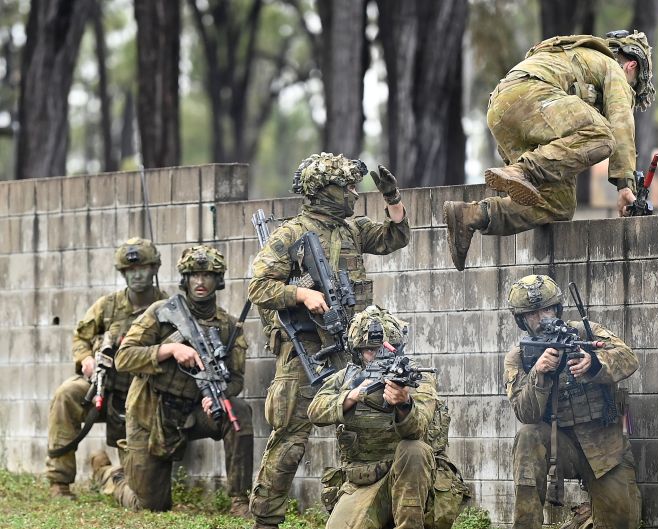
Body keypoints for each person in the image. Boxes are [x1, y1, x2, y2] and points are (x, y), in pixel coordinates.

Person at [248, 152, 410, 529]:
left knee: (367, 429)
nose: (354, 193)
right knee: (290, 439)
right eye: (347, 187)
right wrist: (302, 295)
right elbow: (259, 285)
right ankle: (265, 520)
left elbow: (395, 237)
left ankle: (359, 512)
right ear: (324, 191)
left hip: (353, 349)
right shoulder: (291, 234)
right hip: (306, 350)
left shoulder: (351, 229)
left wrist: (392, 199)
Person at [444, 30, 655, 271]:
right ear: (631, 66)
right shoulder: (613, 67)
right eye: (634, 86)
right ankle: (523, 171)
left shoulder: (574, 58)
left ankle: (471, 216)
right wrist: (625, 185)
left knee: (558, 206)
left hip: (501, 110)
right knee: (604, 136)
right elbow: (620, 123)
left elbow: (569, 134)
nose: (630, 92)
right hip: (532, 95)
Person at [90, 245, 253, 517]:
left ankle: (239, 500)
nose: (200, 282)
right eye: (193, 275)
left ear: (219, 279)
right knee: (150, 505)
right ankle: (109, 474)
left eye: (208, 275)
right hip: (149, 413)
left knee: (237, 411)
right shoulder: (161, 312)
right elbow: (124, 358)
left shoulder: (229, 325)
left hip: (193, 412)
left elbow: (236, 379)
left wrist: (215, 394)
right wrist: (169, 350)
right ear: (185, 279)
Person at [307, 305, 469, 529]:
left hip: (413, 479)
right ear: (358, 352)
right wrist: (351, 397)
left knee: (414, 449)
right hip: (364, 479)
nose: (377, 356)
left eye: (383, 348)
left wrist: (404, 404)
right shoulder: (348, 377)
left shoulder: (415, 377)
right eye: (370, 350)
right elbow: (315, 410)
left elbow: (417, 429)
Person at [504, 274, 640, 528]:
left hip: (605, 444)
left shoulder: (584, 331)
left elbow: (628, 357)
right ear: (522, 319)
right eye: (533, 312)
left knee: (622, 521)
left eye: (547, 308)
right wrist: (539, 375)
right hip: (559, 447)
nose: (543, 317)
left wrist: (594, 363)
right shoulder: (519, 356)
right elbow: (525, 413)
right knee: (528, 435)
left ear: (557, 307)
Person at [46, 237, 165, 498]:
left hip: (143, 394)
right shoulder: (108, 305)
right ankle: (60, 483)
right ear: (123, 273)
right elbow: (80, 336)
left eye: (142, 268)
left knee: (136, 484)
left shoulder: (167, 306)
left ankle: (104, 471)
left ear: (154, 269)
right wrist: (86, 359)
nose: (137, 276)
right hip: (103, 385)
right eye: (130, 270)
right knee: (66, 394)